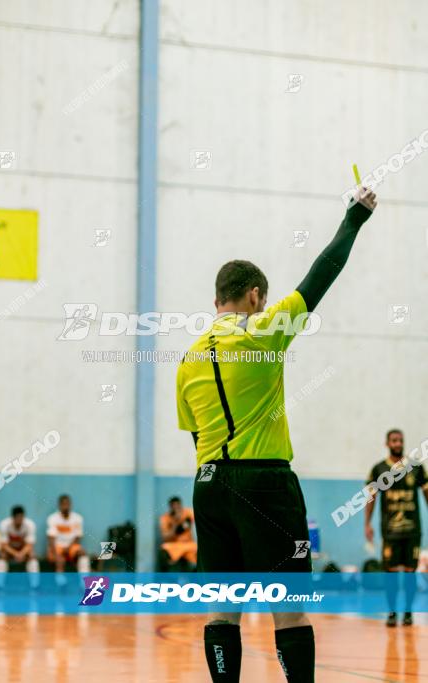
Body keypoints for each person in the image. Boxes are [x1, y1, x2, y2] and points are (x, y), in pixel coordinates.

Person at [176, 187, 377, 682]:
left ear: (215, 300)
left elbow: (196, 434)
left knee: (221, 609)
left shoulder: (187, 360)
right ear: (254, 297)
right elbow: (320, 276)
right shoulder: (263, 330)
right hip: (265, 483)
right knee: (287, 607)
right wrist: (355, 219)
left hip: (208, 486)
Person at [365, 429, 428, 627]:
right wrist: (367, 523)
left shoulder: (415, 467)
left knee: (410, 572)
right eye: (394, 440)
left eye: (400, 440)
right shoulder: (379, 469)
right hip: (390, 531)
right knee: (390, 573)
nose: (398, 443)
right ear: (387, 443)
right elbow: (371, 497)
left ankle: (408, 613)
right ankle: (392, 613)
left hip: (412, 530)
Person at [47, 494, 90, 574]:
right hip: (57, 547)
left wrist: (68, 548)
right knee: (59, 560)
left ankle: (84, 582)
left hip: (71, 546)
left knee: (83, 555)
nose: (65, 506)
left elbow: (78, 537)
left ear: (70, 504)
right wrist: (56, 555)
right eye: (63, 504)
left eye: (67, 504)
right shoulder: (52, 518)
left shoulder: (78, 518)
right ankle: (61, 582)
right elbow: (51, 538)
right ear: (59, 505)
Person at [0, 506, 39, 586]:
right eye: (17, 518)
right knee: (2, 555)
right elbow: (4, 545)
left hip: (23, 550)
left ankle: (35, 585)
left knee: (32, 555)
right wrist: (16, 554)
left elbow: (30, 545)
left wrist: (21, 554)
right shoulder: (4, 524)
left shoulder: (30, 525)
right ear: (13, 518)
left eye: (21, 517)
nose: (19, 520)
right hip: (10, 550)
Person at [159, 496, 197, 570]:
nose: (176, 509)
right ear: (170, 507)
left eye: (178, 506)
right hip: (173, 545)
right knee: (163, 552)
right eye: (174, 507)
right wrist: (175, 523)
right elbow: (165, 538)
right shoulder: (165, 518)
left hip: (189, 545)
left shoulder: (188, 513)